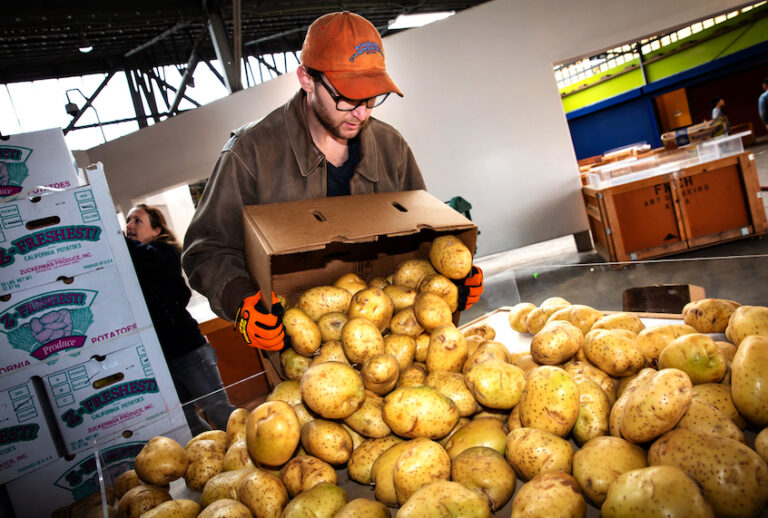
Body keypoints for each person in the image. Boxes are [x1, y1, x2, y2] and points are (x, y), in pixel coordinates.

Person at [182, 11, 483, 364]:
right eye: (347, 97)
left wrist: (452, 279)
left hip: (391, 348)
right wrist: (240, 301)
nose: (361, 113)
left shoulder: (391, 147)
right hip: (301, 354)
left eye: (371, 97)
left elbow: (424, 235)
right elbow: (206, 249)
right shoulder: (251, 154)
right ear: (307, 79)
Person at [125, 204, 236, 435]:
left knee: (218, 410)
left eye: (138, 221)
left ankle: (242, 449)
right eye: (128, 220)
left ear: (156, 230)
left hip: (188, 352)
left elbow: (148, 261)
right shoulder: (131, 263)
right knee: (186, 421)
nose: (129, 226)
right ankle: (211, 452)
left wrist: (118, 241)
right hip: (160, 359)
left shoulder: (164, 253)